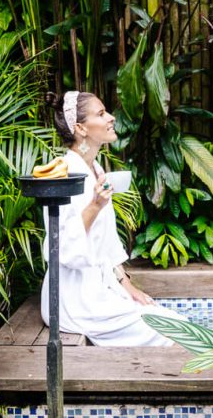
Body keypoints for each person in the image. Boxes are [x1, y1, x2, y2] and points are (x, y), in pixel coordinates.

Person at [40, 90, 180, 346]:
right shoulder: (64, 172)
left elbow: (105, 245)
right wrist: (95, 206)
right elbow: (62, 248)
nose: (111, 118)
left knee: (172, 322)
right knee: (170, 332)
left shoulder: (96, 169)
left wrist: (128, 287)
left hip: (98, 289)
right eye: (101, 113)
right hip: (74, 298)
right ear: (81, 128)